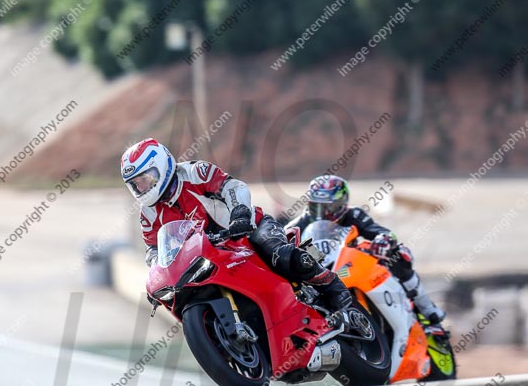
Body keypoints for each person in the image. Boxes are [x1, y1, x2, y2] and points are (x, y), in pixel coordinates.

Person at [120, 138, 354, 326]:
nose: (142, 188)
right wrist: (158, 273)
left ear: (162, 165)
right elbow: (154, 250)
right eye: (136, 184)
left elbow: (232, 187)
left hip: (248, 229)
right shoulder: (147, 213)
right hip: (206, 255)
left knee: (281, 255)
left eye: (145, 179)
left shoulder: (194, 172)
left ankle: (333, 287)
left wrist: (240, 214)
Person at [285, 174, 446, 324]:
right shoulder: (298, 224)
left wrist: (383, 241)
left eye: (329, 207)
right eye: (316, 206)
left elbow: (383, 232)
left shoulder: (354, 214)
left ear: (342, 203)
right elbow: (281, 244)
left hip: (350, 265)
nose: (323, 214)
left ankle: (426, 307)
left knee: (401, 254)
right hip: (316, 271)